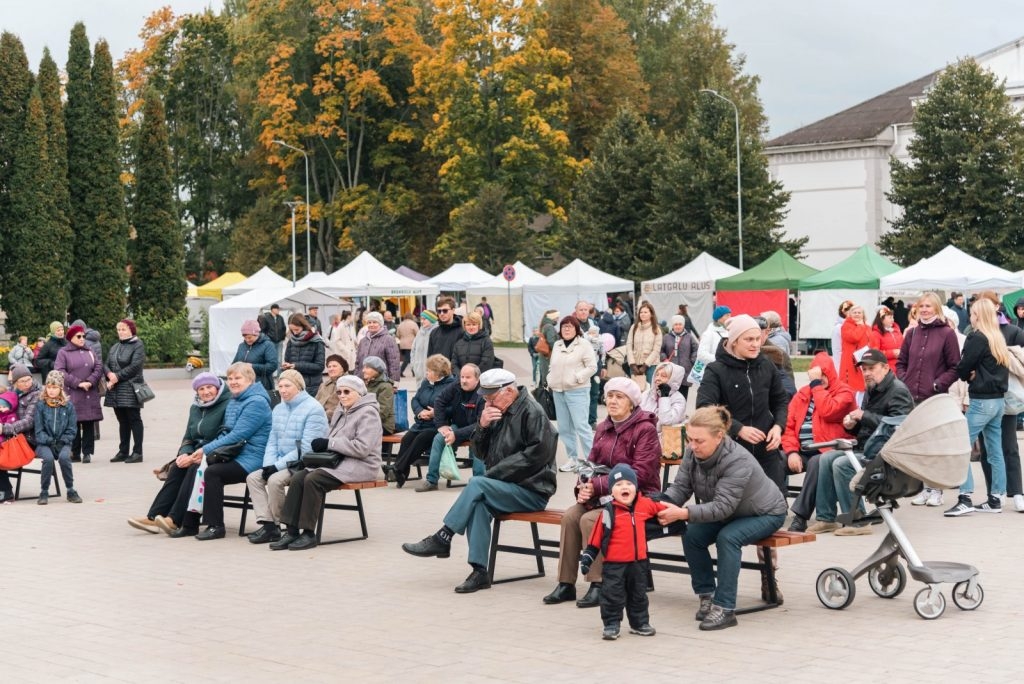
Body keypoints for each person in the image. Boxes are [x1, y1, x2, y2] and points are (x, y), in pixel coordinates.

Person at [402, 368, 558, 593]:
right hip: (502, 487)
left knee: (477, 484)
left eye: (491, 397)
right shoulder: (496, 410)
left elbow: (534, 458)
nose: (488, 402)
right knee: (478, 505)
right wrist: (482, 427)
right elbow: (481, 453)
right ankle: (479, 572)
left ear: (509, 391)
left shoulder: (533, 412)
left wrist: (491, 476)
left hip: (532, 489)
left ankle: (444, 536)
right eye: (485, 398)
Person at [658, 406, 788, 631]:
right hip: (732, 512)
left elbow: (722, 508)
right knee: (691, 535)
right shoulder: (692, 451)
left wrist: (683, 513)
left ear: (719, 436)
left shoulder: (737, 460)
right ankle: (706, 595)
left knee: (728, 538)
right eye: (690, 439)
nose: (692, 446)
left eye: (699, 441)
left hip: (766, 512)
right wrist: (661, 504)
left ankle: (725, 608)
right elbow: (681, 487)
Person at [542, 377, 661, 609]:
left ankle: (599, 584)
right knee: (570, 516)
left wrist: (597, 486)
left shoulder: (644, 429)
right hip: (604, 495)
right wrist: (583, 486)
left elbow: (641, 474)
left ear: (632, 403)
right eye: (610, 396)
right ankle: (566, 583)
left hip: (636, 497)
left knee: (591, 520)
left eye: (620, 397)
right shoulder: (604, 427)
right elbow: (591, 464)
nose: (613, 401)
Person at [807, 349, 914, 535]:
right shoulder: (872, 388)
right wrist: (852, 426)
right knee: (826, 458)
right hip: (869, 448)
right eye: (864, 369)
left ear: (886, 367)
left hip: (887, 455)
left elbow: (899, 428)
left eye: (871, 368)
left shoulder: (898, 391)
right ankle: (826, 518)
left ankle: (858, 521)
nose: (866, 373)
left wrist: (864, 415)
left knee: (842, 464)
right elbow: (868, 428)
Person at [271, 375, 383, 551]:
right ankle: (291, 531)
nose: (342, 395)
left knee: (313, 479)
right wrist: (323, 442)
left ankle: (308, 533)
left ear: (359, 393)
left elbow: (363, 448)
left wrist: (329, 443)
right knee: (299, 476)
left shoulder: (369, 412)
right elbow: (332, 437)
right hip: (338, 461)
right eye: (339, 392)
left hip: (362, 464)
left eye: (347, 391)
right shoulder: (341, 409)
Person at [176, 362, 272, 540]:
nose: (233, 382)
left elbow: (237, 435)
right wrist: (201, 453)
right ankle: (189, 524)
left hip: (252, 458)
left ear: (250, 379)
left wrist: (205, 449)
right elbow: (225, 432)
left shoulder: (256, 402)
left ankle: (216, 526)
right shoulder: (236, 399)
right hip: (235, 453)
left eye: (238, 378)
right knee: (197, 467)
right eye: (230, 378)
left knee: (213, 473)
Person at [126, 373, 229, 535]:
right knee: (177, 467)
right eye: (201, 389)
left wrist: (196, 455)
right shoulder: (195, 407)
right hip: (195, 452)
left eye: (209, 387)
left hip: (216, 452)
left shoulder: (227, 404)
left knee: (193, 469)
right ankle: (154, 517)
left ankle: (174, 519)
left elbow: (224, 436)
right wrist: (184, 453)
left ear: (217, 388)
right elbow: (188, 437)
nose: (206, 392)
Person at [697, 314, 789, 492]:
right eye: (748, 339)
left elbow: (780, 400)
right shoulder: (716, 370)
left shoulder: (767, 365)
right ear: (734, 341)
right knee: (739, 507)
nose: (755, 344)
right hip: (731, 450)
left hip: (766, 450)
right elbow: (705, 407)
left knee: (777, 506)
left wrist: (778, 427)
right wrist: (738, 429)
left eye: (757, 338)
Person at [580, 463, 665, 640]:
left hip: (639, 562)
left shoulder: (645, 505)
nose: (624, 487)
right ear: (612, 491)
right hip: (614, 565)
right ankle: (611, 624)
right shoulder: (609, 512)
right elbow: (596, 537)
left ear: (636, 487)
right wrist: (588, 557)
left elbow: (664, 510)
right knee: (612, 595)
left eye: (628, 484)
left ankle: (639, 623)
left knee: (638, 595)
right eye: (618, 485)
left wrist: (680, 516)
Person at [245, 370, 330, 544]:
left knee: (275, 480)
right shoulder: (278, 408)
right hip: (280, 461)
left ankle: (286, 526)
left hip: (303, 462)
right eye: (280, 386)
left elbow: (306, 448)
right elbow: (272, 441)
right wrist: (269, 465)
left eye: (287, 386)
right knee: (253, 478)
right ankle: (269, 526)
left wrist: (276, 467)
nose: (282, 390)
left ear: (298, 387)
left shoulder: (313, 409)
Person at [945, 298, 1010, 516]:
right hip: (998, 400)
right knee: (994, 450)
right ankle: (996, 498)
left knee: (961, 446)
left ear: (978, 315)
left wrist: (968, 374)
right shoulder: (997, 338)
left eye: (972, 313)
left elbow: (963, 366)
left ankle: (965, 497)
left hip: (982, 400)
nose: (970, 316)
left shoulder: (977, 337)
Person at [896, 292, 961, 506]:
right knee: (919, 446)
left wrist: (938, 384)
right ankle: (923, 488)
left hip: (934, 398)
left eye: (928, 306)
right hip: (912, 398)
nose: (924, 309)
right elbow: (901, 362)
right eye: (921, 306)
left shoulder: (946, 333)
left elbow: (955, 366)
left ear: (936, 308)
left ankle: (937, 491)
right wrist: (904, 380)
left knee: (935, 446)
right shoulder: (912, 333)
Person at [782, 352, 858, 532]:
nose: (820, 379)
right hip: (800, 450)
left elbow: (828, 411)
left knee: (817, 462)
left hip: (826, 451)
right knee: (774, 459)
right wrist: (792, 452)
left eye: (824, 374)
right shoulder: (802, 394)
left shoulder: (844, 392)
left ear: (830, 373)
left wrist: (816, 386)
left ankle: (800, 516)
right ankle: (776, 510)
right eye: (817, 375)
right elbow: (789, 426)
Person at [415, 363, 485, 492]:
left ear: (477, 379)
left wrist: (456, 434)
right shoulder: (456, 386)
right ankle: (431, 480)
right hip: (457, 425)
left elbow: (481, 424)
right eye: (462, 377)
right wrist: (441, 425)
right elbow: (439, 401)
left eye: (468, 377)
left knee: (479, 442)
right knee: (438, 438)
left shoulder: (484, 393)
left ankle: (479, 483)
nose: (463, 380)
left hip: (479, 430)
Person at [391, 354, 456, 487]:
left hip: (438, 425)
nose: (426, 373)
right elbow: (415, 400)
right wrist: (420, 412)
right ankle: (400, 472)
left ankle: (397, 469)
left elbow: (453, 408)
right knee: (407, 439)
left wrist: (435, 413)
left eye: (429, 371)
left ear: (439, 373)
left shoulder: (451, 385)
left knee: (420, 439)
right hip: (421, 422)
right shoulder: (426, 383)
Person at [548, 315, 597, 472]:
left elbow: (592, 367)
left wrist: (577, 378)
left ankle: (592, 461)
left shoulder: (584, 345)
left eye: (570, 326)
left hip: (577, 390)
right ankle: (573, 458)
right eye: (564, 327)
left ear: (576, 329)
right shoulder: (557, 344)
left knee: (581, 426)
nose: (566, 329)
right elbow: (552, 366)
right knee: (564, 428)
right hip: (558, 391)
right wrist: (550, 379)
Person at [54, 324, 104, 464]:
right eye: (79, 336)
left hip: (89, 391)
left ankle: (87, 453)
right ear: (71, 338)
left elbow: (99, 367)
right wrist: (78, 383)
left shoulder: (90, 350)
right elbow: (60, 371)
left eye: (83, 336)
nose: (82, 339)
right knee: (73, 423)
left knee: (88, 422)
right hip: (73, 392)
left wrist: (89, 381)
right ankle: (75, 452)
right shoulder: (63, 352)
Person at [33, 372, 83, 505]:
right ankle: (44, 491)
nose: (51, 390)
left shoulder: (68, 406)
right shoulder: (41, 405)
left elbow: (72, 429)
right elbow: (39, 430)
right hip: (45, 443)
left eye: (54, 387)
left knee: (64, 458)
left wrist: (63, 441)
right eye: (49, 387)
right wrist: (49, 441)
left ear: (61, 388)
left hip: (63, 442)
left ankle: (70, 490)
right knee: (48, 459)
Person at [105, 319, 147, 464]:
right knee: (122, 421)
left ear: (131, 330)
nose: (120, 332)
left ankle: (137, 452)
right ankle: (123, 451)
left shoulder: (138, 345)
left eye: (123, 329)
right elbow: (106, 364)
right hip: (116, 389)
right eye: (119, 329)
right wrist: (109, 374)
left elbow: (135, 366)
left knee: (134, 419)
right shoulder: (115, 346)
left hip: (130, 388)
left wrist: (117, 376)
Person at [0, 364, 42, 503]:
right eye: (22, 381)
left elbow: (29, 421)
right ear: (16, 382)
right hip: (13, 436)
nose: (26, 383)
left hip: (29, 439)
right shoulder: (13, 391)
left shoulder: (37, 394)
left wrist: (4, 428)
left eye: (28, 379)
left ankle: (5, 492)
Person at [282, 313, 326, 397]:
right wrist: (286, 367)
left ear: (304, 326)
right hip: (294, 386)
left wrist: (296, 366)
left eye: (297, 329)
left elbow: (320, 366)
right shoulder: (291, 341)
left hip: (312, 387)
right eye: (292, 330)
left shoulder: (317, 341)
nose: (294, 333)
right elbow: (288, 360)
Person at [232, 319, 278, 391]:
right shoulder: (242, 346)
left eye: (250, 337)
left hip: (262, 386)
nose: (247, 340)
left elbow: (273, 366)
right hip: (243, 387)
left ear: (257, 334)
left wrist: (252, 366)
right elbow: (234, 364)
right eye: (245, 337)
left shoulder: (268, 345)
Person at [637, 363, 687, 429]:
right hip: (644, 435)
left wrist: (664, 396)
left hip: (666, 437)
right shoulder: (647, 394)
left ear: (673, 380)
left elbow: (666, 422)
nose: (658, 378)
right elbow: (637, 416)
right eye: (656, 375)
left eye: (663, 376)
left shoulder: (679, 399)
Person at [355, 311, 401, 383]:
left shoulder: (388, 339)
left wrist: (394, 382)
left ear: (380, 324)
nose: (371, 324)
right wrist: (357, 378)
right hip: (363, 382)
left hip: (381, 382)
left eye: (374, 322)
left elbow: (394, 363)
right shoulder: (363, 341)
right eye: (369, 322)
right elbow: (358, 363)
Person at [626, 302, 662, 388]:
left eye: (645, 312)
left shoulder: (656, 329)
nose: (643, 314)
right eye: (641, 312)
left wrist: (645, 366)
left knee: (650, 390)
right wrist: (632, 363)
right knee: (635, 392)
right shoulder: (634, 327)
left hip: (650, 366)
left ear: (651, 314)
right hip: (635, 365)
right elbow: (629, 346)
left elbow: (656, 350)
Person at [660, 315, 697, 398]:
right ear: (672, 326)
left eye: (680, 324)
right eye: (676, 324)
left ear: (683, 325)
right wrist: (664, 359)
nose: (678, 326)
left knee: (683, 397)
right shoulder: (666, 337)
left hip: (685, 371)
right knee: (669, 396)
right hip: (670, 371)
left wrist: (691, 360)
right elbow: (661, 350)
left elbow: (696, 350)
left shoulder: (689, 337)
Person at [451, 311, 495, 376]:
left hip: (480, 380)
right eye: (468, 324)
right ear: (464, 326)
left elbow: (486, 363)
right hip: (462, 380)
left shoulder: (486, 342)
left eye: (474, 324)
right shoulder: (459, 343)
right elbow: (454, 364)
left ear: (479, 325)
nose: (471, 327)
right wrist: (461, 376)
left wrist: (473, 376)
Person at [839, 304, 870, 396]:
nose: (857, 314)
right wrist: (861, 326)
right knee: (852, 388)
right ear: (850, 314)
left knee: (863, 386)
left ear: (863, 314)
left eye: (859, 313)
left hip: (864, 359)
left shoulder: (867, 327)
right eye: (854, 312)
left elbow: (872, 341)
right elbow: (854, 337)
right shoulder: (846, 326)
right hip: (850, 362)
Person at [361, 356, 396, 436]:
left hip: (383, 425)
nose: (363, 370)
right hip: (368, 422)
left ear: (377, 370)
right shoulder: (367, 384)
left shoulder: (385, 386)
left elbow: (383, 412)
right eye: (363, 367)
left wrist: (363, 421)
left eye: (367, 368)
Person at [427, 296, 464, 361]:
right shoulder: (434, 332)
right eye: (439, 311)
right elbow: (430, 357)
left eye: (445, 311)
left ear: (453, 310)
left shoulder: (462, 331)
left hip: (455, 370)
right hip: (437, 370)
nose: (441, 314)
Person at [315, 354, 349, 422]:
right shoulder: (323, 385)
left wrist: (324, 416)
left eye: (334, 366)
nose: (331, 369)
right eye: (329, 367)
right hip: (318, 418)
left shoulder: (348, 384)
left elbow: (345, 407)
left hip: (337, 420)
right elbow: (315, 403)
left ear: (342, 369)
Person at [535, 309, 560, 388]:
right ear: (553, 317)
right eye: (557, 317)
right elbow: (551, 342)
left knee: (544, 379)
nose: (558, 319)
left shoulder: (545, 325)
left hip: (544, 356)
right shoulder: (549, 327)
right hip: (549, 356)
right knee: (548, 380)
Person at [410, 310, 436, 382]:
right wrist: (414, 366)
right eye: (421, 319)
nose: (422, 321)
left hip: (432, 374)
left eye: (424, 319)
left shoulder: (436, 332)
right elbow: (413, 350)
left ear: (431, 319)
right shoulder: (419, 333)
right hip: (419, 374)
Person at [830, 300, 853, 373]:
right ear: (844, 312)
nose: (854, 313)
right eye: (851, 311)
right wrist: (839, 369)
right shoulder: (838, 327)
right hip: (842, 366)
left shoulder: (851, 325)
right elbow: (837, 350)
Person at [396, 313, 420, 377]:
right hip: (411, 344)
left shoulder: (400, 324)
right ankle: (400, 371)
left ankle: (414, 372)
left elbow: (397, 335)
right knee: (408, 359)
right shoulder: (413, 324)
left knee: (409, 359)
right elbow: (418, 334)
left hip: (402, 344)